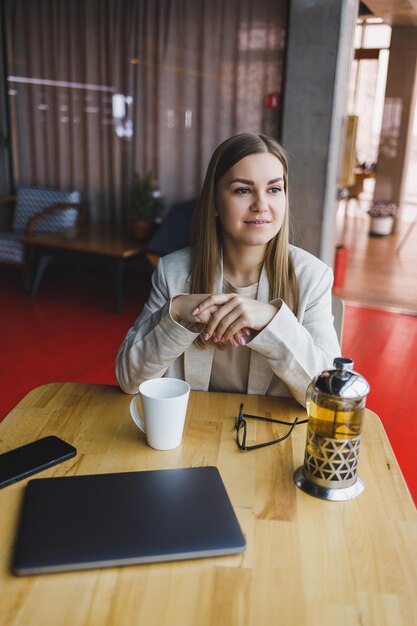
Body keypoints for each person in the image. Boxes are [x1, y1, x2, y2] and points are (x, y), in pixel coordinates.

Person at [116, 133, 340, 406]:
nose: (261, 205)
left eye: (274, 189)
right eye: (243, 190)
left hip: (270, 437)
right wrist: (174, 312)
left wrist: (272, 320)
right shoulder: (172, 272)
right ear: (214, 203)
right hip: (190, 432)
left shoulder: (312, 278)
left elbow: (327, 395)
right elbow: (129, 380)